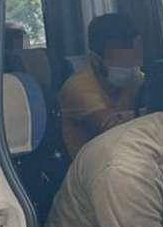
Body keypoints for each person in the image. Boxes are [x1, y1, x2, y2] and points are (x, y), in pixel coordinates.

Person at [59, 12, 144, 157]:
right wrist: (152, 112)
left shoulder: (136, 80)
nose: (131, 66)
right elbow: (109, 126)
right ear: (97, 59)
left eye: (134, 56)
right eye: (121, 61)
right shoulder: (77, 87)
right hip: (90, 164)